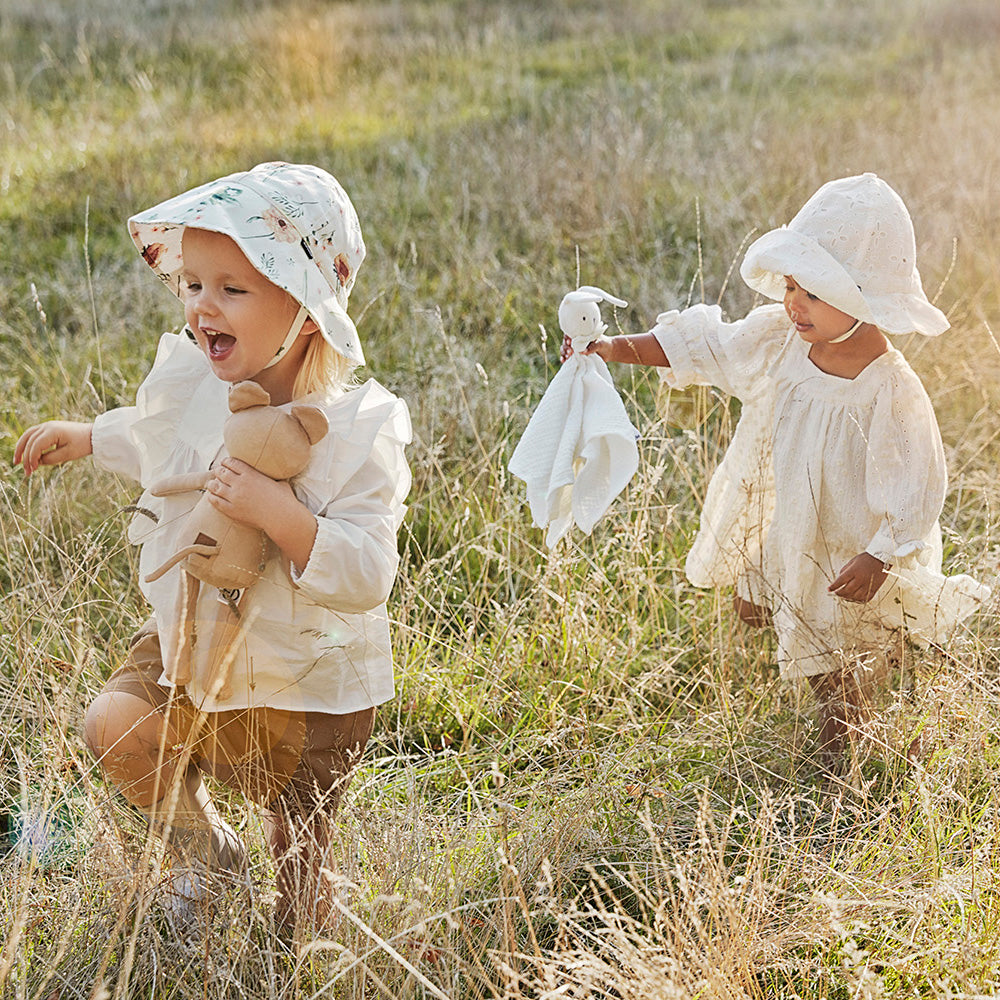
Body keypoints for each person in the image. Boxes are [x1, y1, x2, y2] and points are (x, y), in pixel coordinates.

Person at [14, 162, 411, 932]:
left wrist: (278, 513)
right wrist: (90, 436)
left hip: (306, 687)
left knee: (303, 901)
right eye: (193, 283)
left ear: (304, 307)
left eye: (232, 287)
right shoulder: (198, 384)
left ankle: (295, 930)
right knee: (114, 728)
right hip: (196, 651)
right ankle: (205, 852)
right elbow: (159, 442)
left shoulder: (359, 432)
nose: (201, 306)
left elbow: (369, 572)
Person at [562, 173, 989, 768]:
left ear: (864, 296)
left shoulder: (890, 390)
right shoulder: (780, 340)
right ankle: (868, 677)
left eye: (813, 292)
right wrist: (612, 347)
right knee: (754, 605)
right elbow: (707, 347)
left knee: (833, 656)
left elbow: (919, 485)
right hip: (790, 521)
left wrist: (882, 552)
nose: (794, 303)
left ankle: (850, 762)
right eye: (791, 285)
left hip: (849, 544)